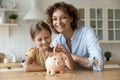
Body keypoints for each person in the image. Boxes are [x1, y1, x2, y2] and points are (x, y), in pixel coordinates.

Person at [46, 2, 104, 71]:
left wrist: (71, 56)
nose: (58, 22)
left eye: (63, 17)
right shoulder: (57, 42)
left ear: (71, 18)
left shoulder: (87, 33)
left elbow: (99, 64)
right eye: (55, 19)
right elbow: (62, 67)